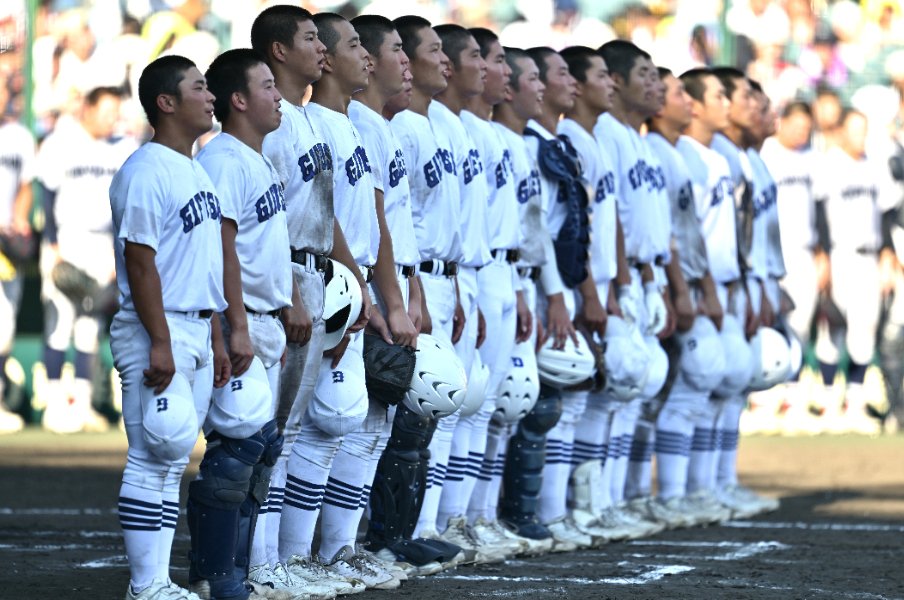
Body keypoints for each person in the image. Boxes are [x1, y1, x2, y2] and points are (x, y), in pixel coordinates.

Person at [250, 5, 366, 596]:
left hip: (319, 276)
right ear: (277, 50)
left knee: (293, 431)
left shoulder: (310, 120)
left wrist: (349, 274)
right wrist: (293, 291)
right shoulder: (274, 126)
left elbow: (327, 213)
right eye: (309, 38)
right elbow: (269, 218)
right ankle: (260, 563)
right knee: (270, 431)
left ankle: (287, 560)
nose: (321, 47)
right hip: (286, 280)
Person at [110, 54, 227, 600]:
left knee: (174, 455)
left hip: (194, 329)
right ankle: (145, 585)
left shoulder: (195, 166)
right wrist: (160, 340)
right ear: (166, 102)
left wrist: (217, 334)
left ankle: (156, 584)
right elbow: (140, 260)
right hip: (157, 329)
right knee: (153, 453)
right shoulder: (145, 169)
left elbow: (201, 264)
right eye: (199, 88)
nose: (210, 97)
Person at [275, 10, 379, 593]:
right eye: (315, 38)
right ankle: (279, 561)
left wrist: (358, 282)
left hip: (329, 278)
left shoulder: (329, 124)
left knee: (340, 424)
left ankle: (319, 554)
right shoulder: (294, 121)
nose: (354, 53)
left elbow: (344, 216)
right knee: (286, 430)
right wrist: (351, 282)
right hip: (299, 280)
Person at [189, 48, 290, 600]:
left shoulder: (255, 156)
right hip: (241, 320)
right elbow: (220, 246)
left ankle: (234, 570)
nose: (278, 96)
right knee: (237, 451)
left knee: (260, 446)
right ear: (239, 99)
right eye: (267, 86)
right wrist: (235, 325)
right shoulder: (224, 158)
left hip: (264, 320)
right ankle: (213, 573)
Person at [38, 85, 136, 434]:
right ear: (89, 110)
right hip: (67, 238)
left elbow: (126, 205)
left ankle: (80, 404)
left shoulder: (124, 146)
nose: (113, 118)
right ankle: (53, 402)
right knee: (60, 320)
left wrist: (117, 253)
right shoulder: (61, 141)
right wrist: (51, 245)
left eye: (116, 112)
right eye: (107, 111)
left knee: (90, 325)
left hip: (102, 244)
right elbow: (46, 194)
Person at [0, 76, 34, 434]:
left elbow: (26, 186)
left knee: (5, 327)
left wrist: (20, 219)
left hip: (5, 244)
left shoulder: (19, 136)